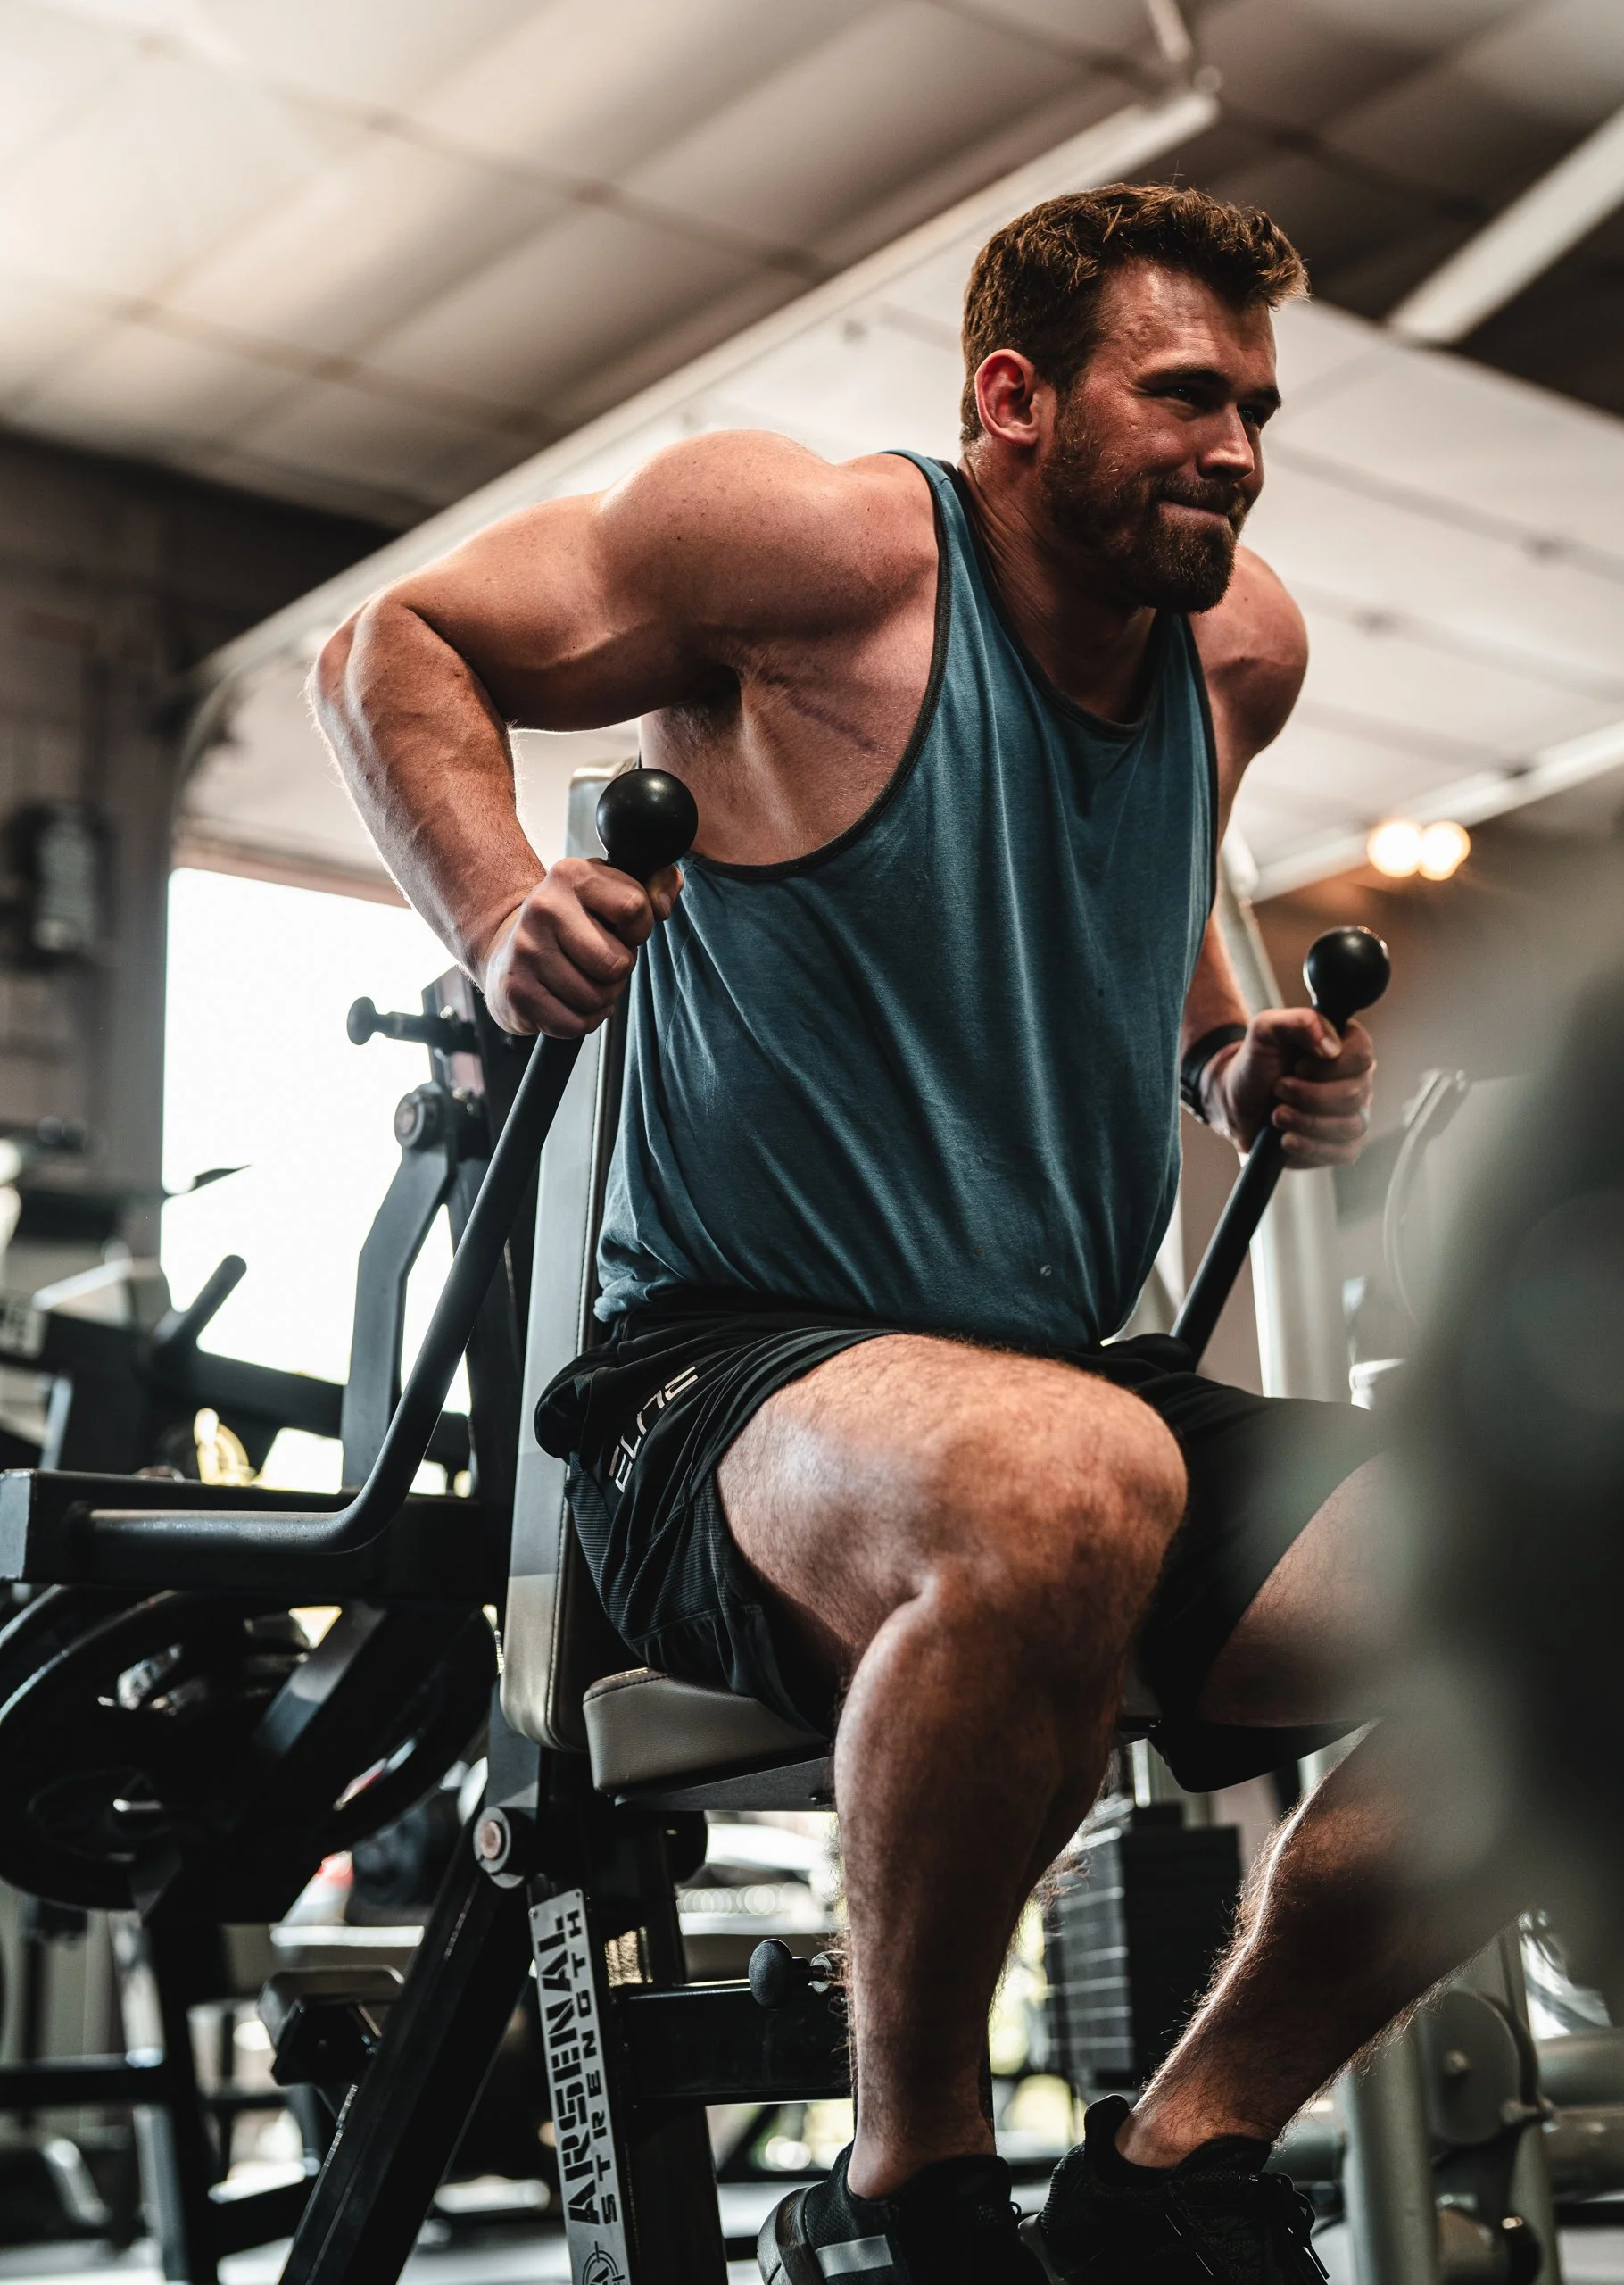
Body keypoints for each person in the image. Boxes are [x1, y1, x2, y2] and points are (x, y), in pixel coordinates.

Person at [312, 184, 1478, 2285]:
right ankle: (906, 2193)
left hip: (1060, 1387)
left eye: (1257, 408)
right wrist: (494, 907)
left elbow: (1140, 915)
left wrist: (1231, 1067)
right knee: (1070, 1472)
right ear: (1012, 398)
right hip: (715, 1383)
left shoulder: (1240, 648)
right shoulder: (818, 551)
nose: (1234, 449)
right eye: (1184, 394)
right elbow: (392, 643)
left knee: (1592, 1575)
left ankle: (1169, 2171)